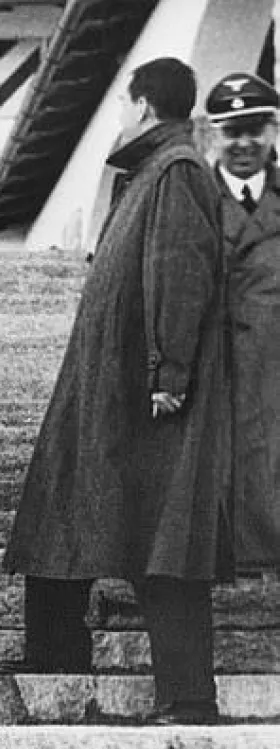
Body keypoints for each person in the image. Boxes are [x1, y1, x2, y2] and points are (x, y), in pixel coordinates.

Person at [2, 57, 231, 725]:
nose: (120, 119)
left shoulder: (176, 170)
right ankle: (55, 655)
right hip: (112, 388)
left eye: (124, 106)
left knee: (164, 539)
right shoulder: (151, 172)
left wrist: (170, 373)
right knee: (64, 510)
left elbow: (181, 273)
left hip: (143, 395)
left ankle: (189, 697)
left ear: (144, 106)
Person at [206, 72, 280, 573]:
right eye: (232, 131)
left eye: (255, 129)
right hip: (210, 358)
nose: (244, 143)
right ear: (213, 135)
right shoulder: (193, 195)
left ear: (273, 130)